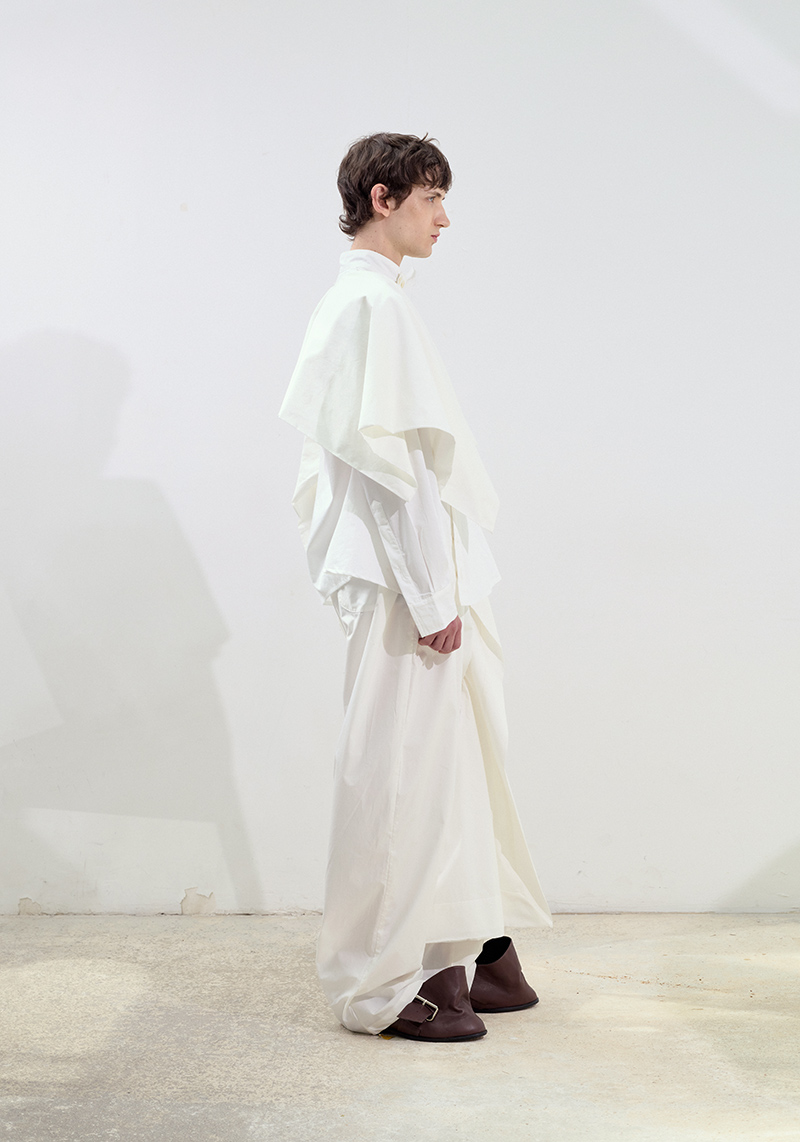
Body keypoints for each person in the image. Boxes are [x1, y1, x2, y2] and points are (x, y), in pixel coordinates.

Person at [279, 132, 551, 1042]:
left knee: (440, 772)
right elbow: (391, 474)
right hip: (413, 589)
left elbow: (386, 468)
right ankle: (395, 983)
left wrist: (437, 592)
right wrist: (434, 600)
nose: (445, 217)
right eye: (432, 197)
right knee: (400, 781)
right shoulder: (371, 306)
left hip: (421, 581)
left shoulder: (367, 303)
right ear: (383, 198)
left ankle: (476, 959)